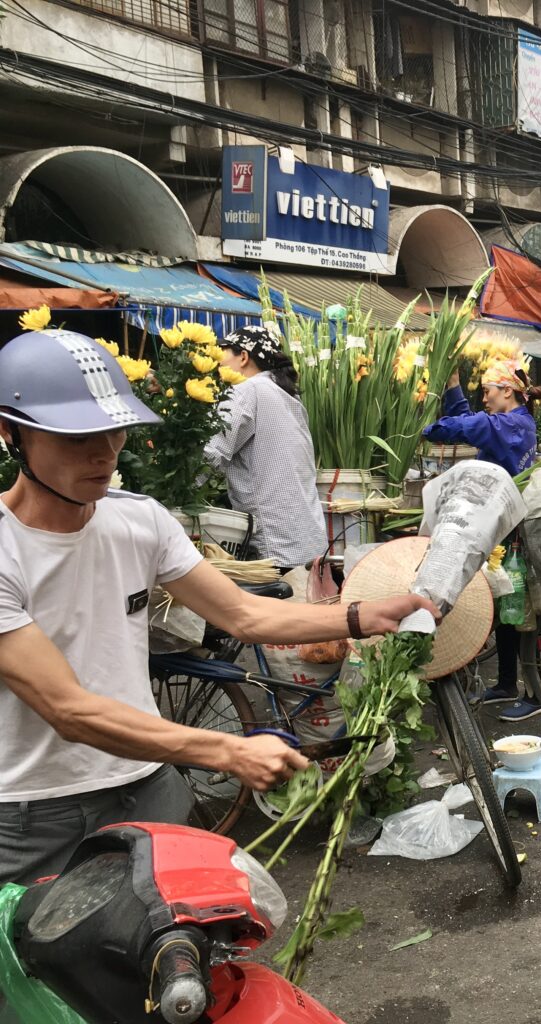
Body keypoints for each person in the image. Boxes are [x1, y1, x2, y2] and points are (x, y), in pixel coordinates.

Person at [0, 329, 438, 887]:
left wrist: (360, 615)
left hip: (149, 787)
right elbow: (68, 709)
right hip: (36, 813)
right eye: (76, 437)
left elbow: (243, 615)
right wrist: (227, 750)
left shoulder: (140, 521)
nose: (104, 454)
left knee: (173, 961)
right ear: (11, 433)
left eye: (115, 431)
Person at [422, 358, 541, 722]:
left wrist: (425, 428)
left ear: (507, 391)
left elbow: (466, 426)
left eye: (489, 392)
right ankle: (506, 683)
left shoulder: (511, 424)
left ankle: (535, 694)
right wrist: (454, 385)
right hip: (500, 528)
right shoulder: (509, 422)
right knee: (507, 609)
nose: (485, 398)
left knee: (521, 613)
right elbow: (472, 420)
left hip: (509, 531)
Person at [204, 324, 327, 570]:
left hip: (274, 546)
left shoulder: (245, 392)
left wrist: (167, 498)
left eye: (224, 352)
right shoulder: (289, 395)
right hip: (310, 542)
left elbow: (210, 452)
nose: (219, 361)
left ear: (243, 356)